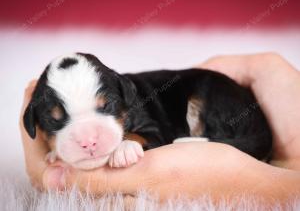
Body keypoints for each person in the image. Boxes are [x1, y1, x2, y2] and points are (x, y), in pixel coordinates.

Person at [19, 52, 300, 204]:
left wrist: (132, 141)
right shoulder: (119, 92)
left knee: (204, 93)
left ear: (124, 95)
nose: (88, 140)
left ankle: (232, 142)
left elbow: (154, 134)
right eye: (57, 122)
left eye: (104, 108)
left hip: (216, 99)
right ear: (35, 123)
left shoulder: (134, 104)